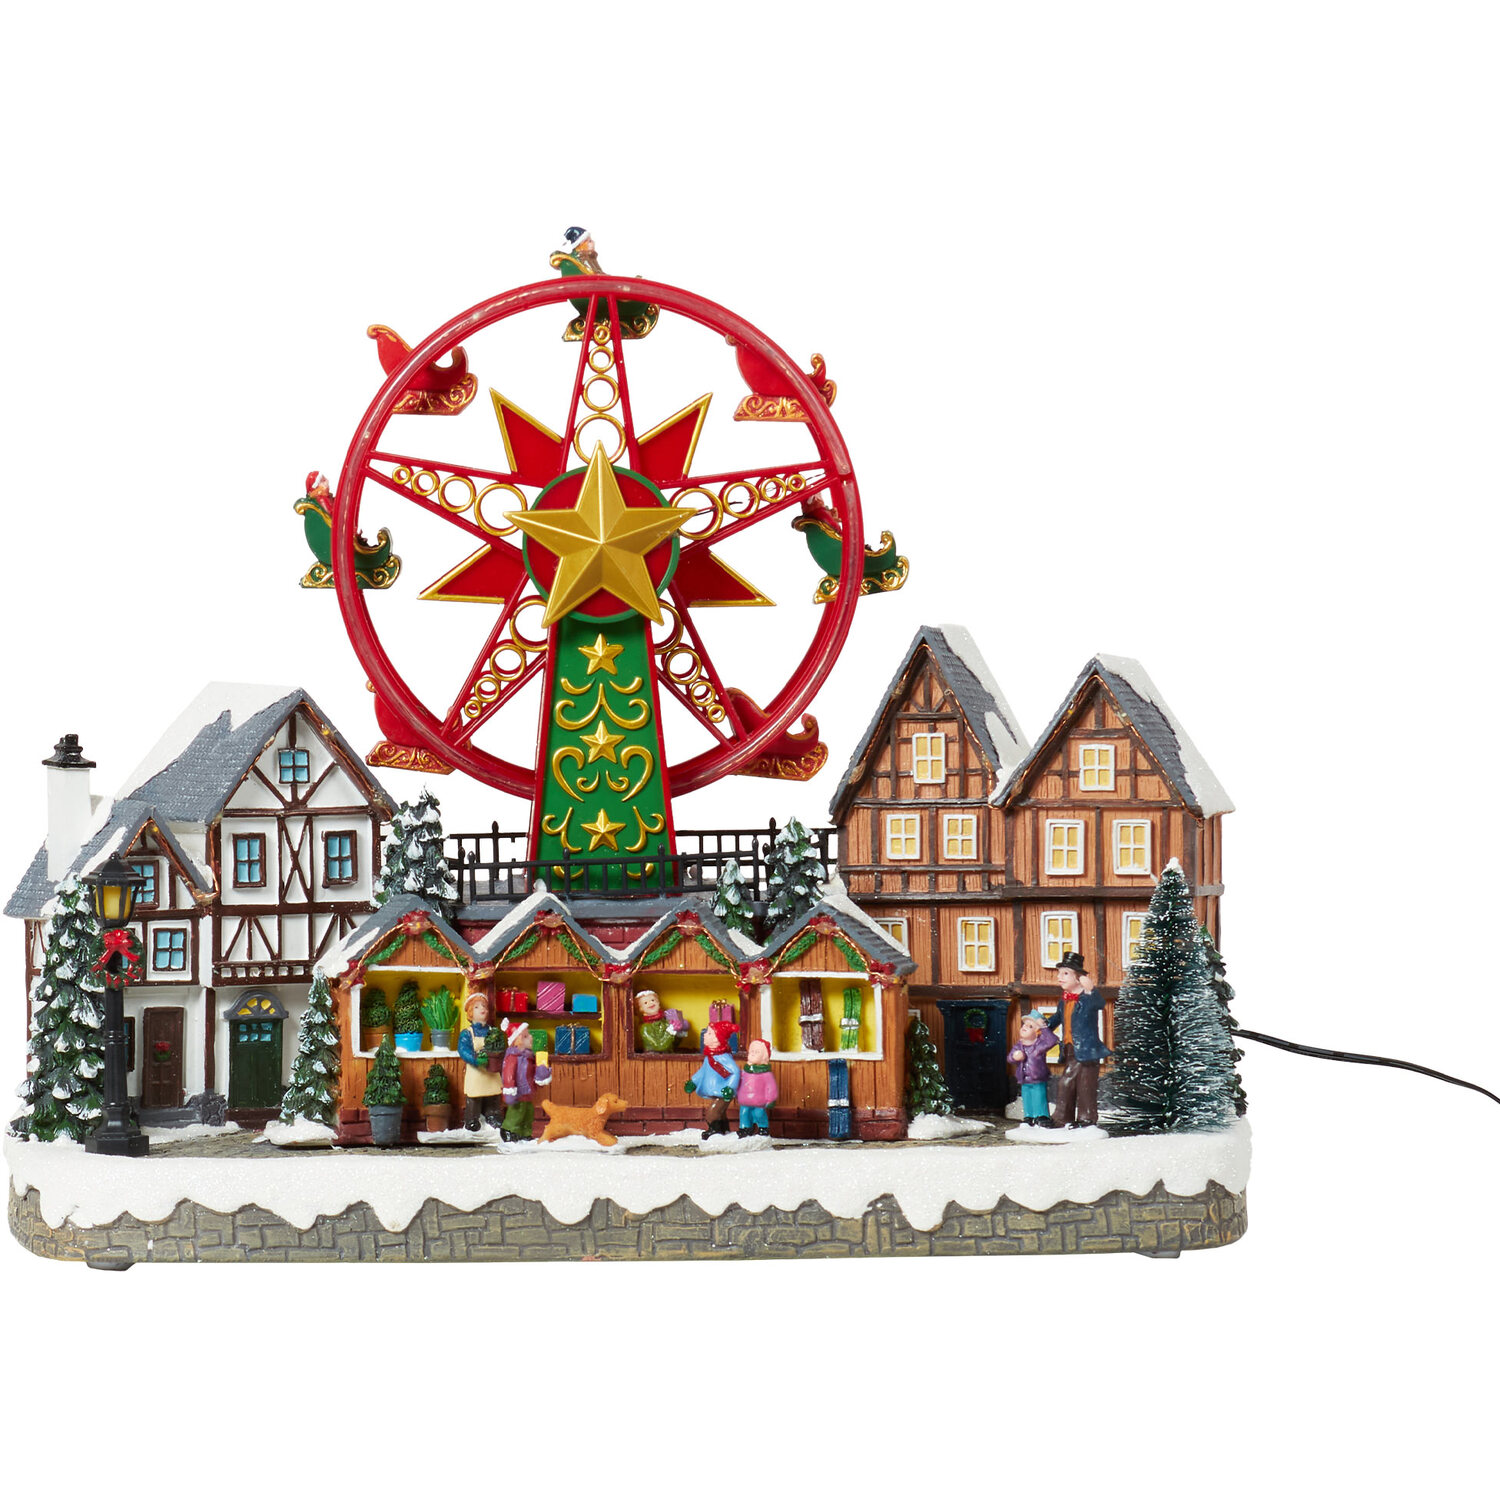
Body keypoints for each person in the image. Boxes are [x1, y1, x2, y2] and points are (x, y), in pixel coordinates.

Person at [1050, 953, 1113, 1128]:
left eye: (1065, 973)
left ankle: (1082, 1119)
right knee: (1074, 1083)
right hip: (1070, 1049)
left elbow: (1099, 1003)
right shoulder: (1064, 999)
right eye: (1059, 973)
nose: (1060, 977)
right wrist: (1043, 1026)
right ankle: (1068, 1119)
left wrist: (1091, 990)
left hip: (1087, 1050)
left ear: (1079, 978)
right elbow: (1057, 1018)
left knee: (1080, 1085)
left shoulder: (1087, 997)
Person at [684, 1021, 741, 1139]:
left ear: (717, 1039)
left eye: (709, 1033)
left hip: (723, 1092)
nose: (705, 1035)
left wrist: (730, 1088)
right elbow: (703, 1072)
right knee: (720, 1113)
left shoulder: (723, 1057)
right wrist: (693, 1082)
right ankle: (723, 1130)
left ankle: (714, 1131)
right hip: (717, 1091)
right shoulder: (710, 1057)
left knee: (712, 1113)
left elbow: (735, 1071)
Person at [457, 994, 505, 1132]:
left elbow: (501, 1047)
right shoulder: (467, 1033)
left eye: (484, 1006)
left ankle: (493, 1116)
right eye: (477, 1007)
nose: (482, 1009)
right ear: (470, 1012)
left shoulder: (493, 1031)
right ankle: (472, 1119)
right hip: (476, 1071)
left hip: (492, 1070)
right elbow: (463, 1050)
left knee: (493, 1094)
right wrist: (475, 1060)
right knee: (474, 1095)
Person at [499, 1021, 553, 1143]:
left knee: (528, 1112)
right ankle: (509, 1130)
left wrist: (542, 1071)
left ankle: (524, 1132)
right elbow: (508, 1073)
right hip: (517, 1091)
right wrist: (509, 1087)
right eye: (526, 1036)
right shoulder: (512, 1057)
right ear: (518, 1041)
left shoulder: (528, 1057)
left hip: (527, 1091)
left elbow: (532, 1072)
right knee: (516, 1112)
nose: (531, 1037)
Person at [1008, 1010, 1060, 1127]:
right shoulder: (1019, 1045)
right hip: (1024, 1078)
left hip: (1038, 1077)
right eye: (1024, 1025)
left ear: (1037, 1031)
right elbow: (1010, 1058)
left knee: (1039, 1096)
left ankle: (1041, 1115)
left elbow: (1052, 1040)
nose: (1025, 1027)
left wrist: (1043, 1027)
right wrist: (1015, 1056)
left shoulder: (1039, 1045)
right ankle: (1029, 1115)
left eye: (1030, 1026)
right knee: (1027, 1097)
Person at [736, 1038, 778, 1137]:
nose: (753, 1054)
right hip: (744, 1101)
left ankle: (763, 1127)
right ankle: (745, 1128)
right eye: (751, 1051)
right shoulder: (744, 1072)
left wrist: (771, 1099)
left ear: (764, 1057)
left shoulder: (766, 1074)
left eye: (757, 1052)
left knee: (759, 1113)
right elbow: (738, 1082)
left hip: (759, 1102)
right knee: (744, 1113)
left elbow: (771, 1087)